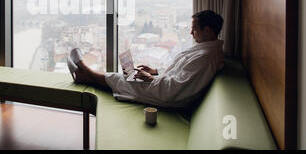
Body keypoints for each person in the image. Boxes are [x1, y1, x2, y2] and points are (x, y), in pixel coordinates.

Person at [67, 10, 225, 108]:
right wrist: (155, 71)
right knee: (129, 75)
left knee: (123, 78)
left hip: (168, 97)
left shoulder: (205, 57)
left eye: (194, 29)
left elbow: (177, 88)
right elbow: (180, 75)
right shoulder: (206, 49)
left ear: (208, 30)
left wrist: (151, 79)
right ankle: (85, 76)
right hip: (164, 85)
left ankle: (84, 73)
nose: (191, 33)